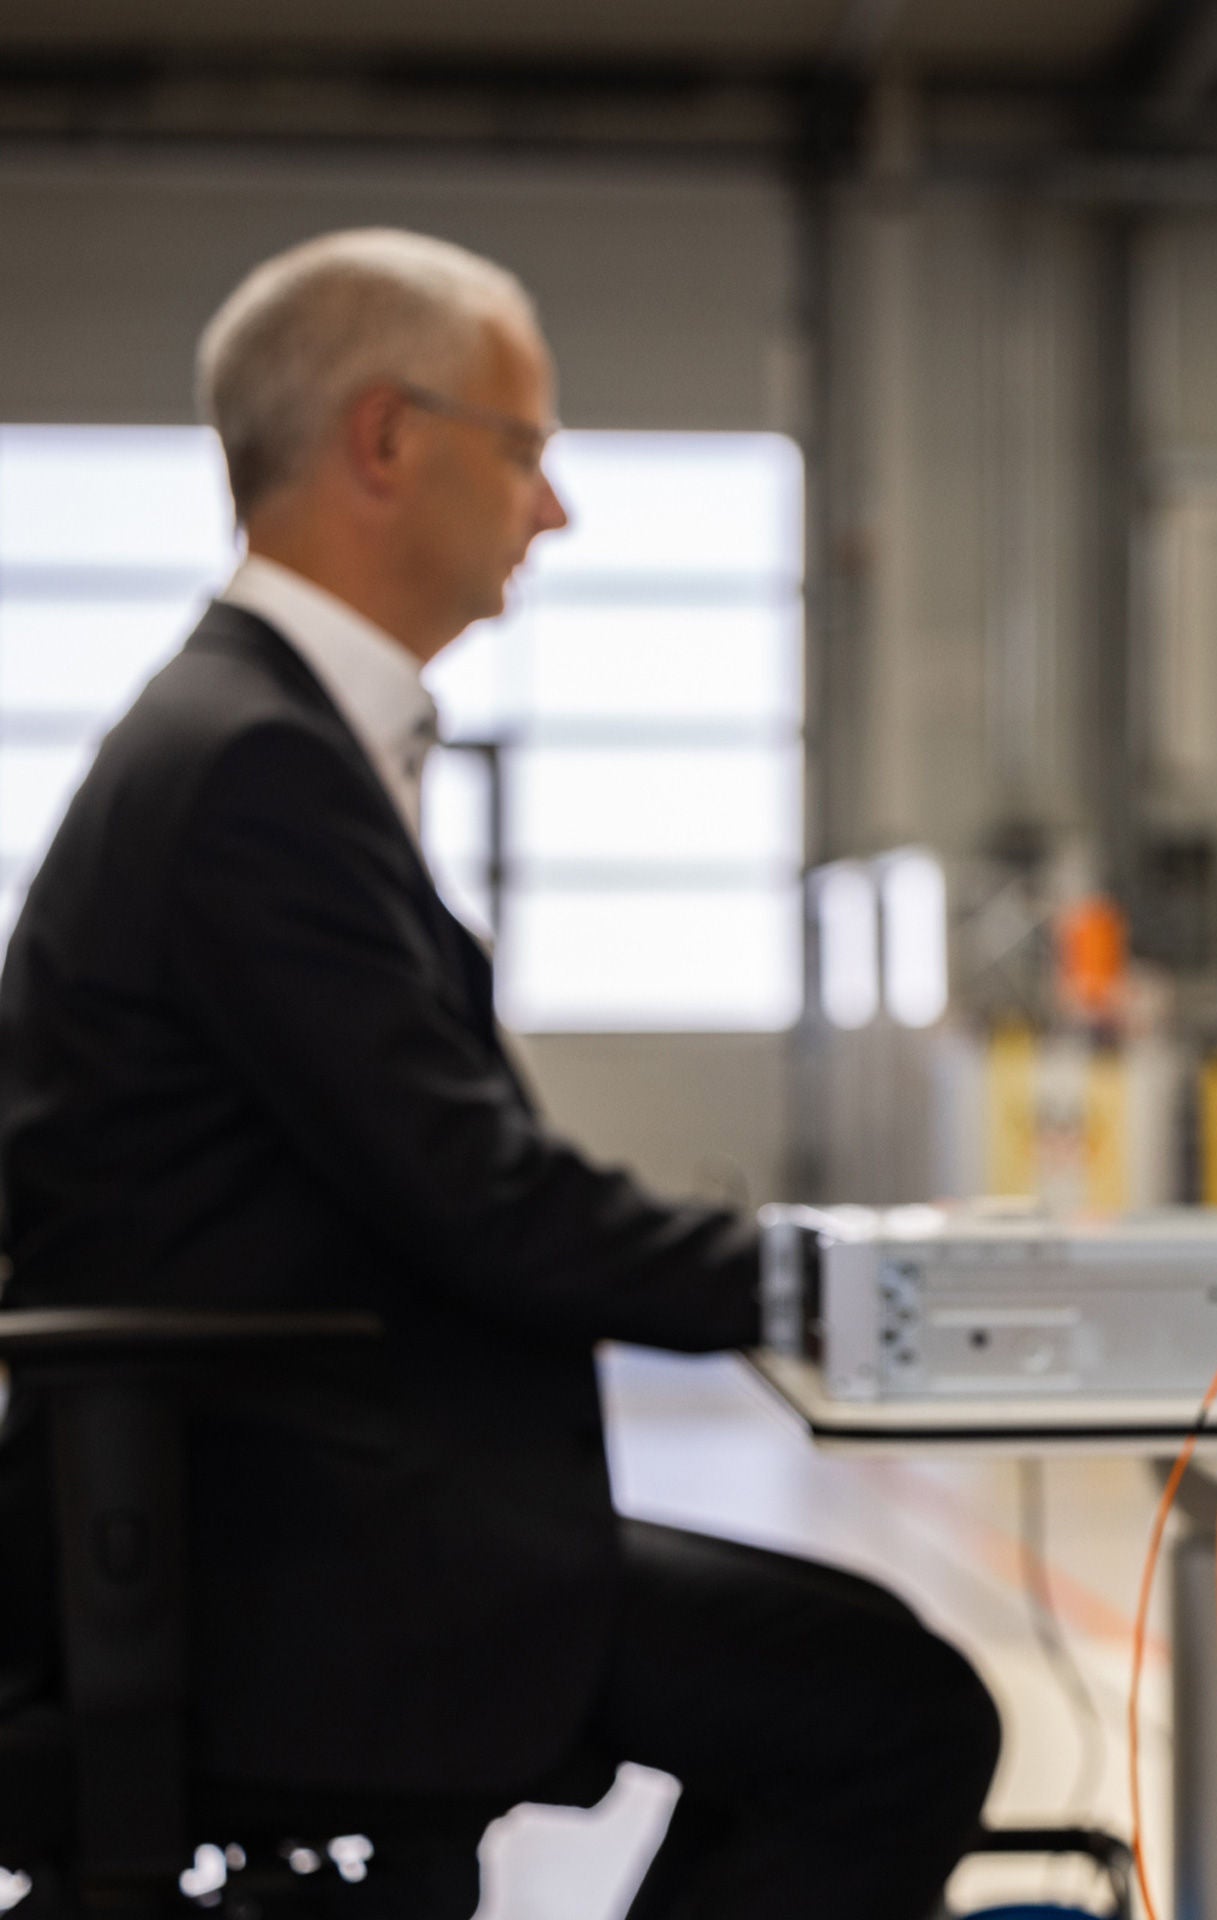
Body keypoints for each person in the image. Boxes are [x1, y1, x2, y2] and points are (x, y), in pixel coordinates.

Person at [0, 229, 999, 1918]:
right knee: (893, 1717)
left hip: (274, 1515)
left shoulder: (248, 733)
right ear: (388, 440)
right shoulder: (253, 764)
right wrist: (830, 1278)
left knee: (859, 1676)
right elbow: (479, 1202)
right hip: (297, 1561)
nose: (556, 509)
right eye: (526, 447)